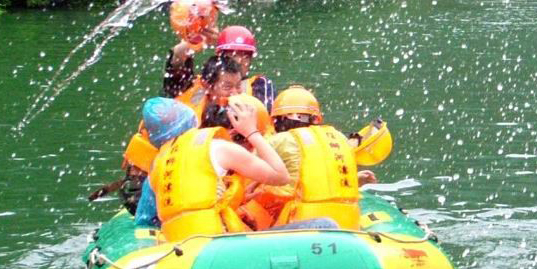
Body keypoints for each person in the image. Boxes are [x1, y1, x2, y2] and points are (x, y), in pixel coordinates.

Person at [147, 97, 289, 241]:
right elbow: (281, 177)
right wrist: (251, 132)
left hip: (178, 244)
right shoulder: (217, 147)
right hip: (213, 241)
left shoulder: (157, 163)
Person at [238, 85, 365, 230]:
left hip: (303, 225)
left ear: (276, 121)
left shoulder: (280, 140)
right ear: (316, 119)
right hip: (349, 224)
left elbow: (244, 173)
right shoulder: (341, 138)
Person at [164, 24, 275, 112]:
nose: (239, 61)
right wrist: (194, 42)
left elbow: (265, 118)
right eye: (233, 54)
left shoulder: (259, 85)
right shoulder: (194, 84)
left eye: (246, 57)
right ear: (220, 56)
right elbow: (177, 61)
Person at [132, 98, 199, 227]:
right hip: (203, 225)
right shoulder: (208, 149)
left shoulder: (157, 166)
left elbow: (144, 219)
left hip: (173, 228)